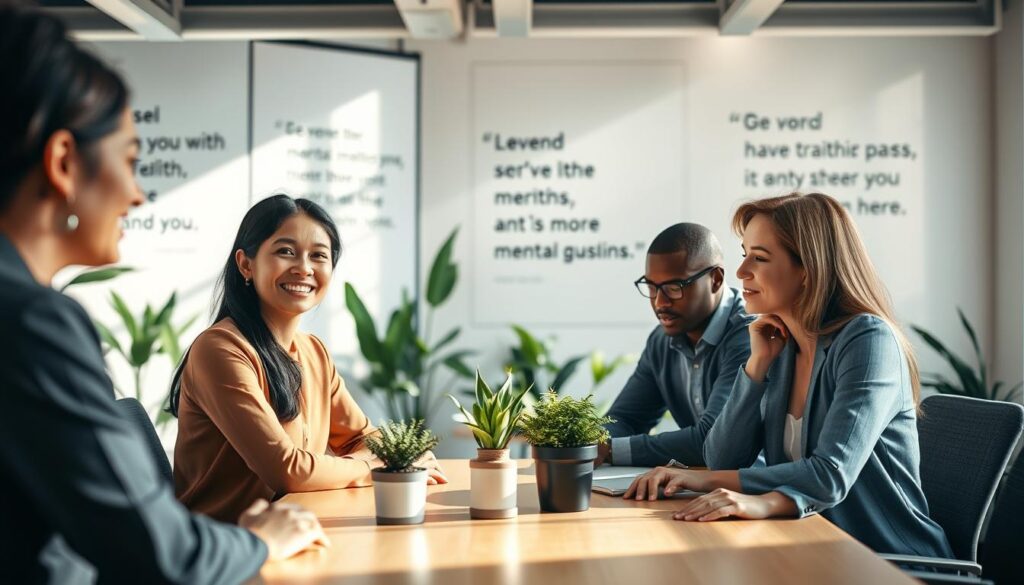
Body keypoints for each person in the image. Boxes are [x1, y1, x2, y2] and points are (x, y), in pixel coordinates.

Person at [0, 5, 328, 583]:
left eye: (319, 254)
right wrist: (257, 541)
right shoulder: (29, 322)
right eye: (130, 161)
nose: (138, 195)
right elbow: (159, 550)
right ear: (63, 163)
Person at [625, 193, 952, 557]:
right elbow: (723, 458)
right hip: (806, 547)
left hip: (887, 560)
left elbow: (830, 475)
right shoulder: (779, 345)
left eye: (759, 258)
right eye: (744, 253)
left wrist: (727, 489)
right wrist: (757, 366)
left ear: (808, 270)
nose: (741, 272)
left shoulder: (867, 340)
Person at [169, 194, 447, 523]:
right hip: (226, 550)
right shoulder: (220, 349)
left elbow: (363, 437)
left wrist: (384, 457)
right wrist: (376, 465)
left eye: (318, 256)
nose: (303, 268)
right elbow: (287, 471)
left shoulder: (313, 351)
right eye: (285, 251)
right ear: (246, 263)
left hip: (293, 529)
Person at [598, 223, 753, 467]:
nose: (660, 302)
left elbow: (711, 440)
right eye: (651, 287)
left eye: (674, 287)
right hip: (701, 485)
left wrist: (609, 449)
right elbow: (625, 419)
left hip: (756, 494)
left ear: (716, 279)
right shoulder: (661, 341)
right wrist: (597, 441)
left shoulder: (749, 335)